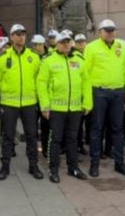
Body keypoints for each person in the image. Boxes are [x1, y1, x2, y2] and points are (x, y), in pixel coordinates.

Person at [37, 31, 92, 183]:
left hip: (75, 109)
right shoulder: (49, 60)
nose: (66, 44)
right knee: (55, 140)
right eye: (63, 42)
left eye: (68, 41)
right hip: (56, 109)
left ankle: (73, 168)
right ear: (57, 44)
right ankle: (53, 169)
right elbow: (41, 83)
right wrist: (45, 106)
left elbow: (86, 82)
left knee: (73, 139)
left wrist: (87, 103)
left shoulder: (79, 60)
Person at [84, 19, 125, 178]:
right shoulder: (91, 47)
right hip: (99, 92)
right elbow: (85, 73)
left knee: (118, 129)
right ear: (100, 32)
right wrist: (87, 96)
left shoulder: (121, 46)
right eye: (107, 30)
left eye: (112, 30)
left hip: (118, 92)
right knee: (97, 128)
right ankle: (94, 163)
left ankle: (119, 163)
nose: (110, 33)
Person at [0, 24, 43, 180]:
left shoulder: (34, 57)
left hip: (29, 103)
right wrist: (6, 90)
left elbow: (38, 78)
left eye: (23, 33)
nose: (21, 36)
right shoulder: (3, 57)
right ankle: (5, 166)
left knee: (31, 135)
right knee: (8, 136)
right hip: (9, 103)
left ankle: (33, 166)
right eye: (17, 34)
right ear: (11, 37)